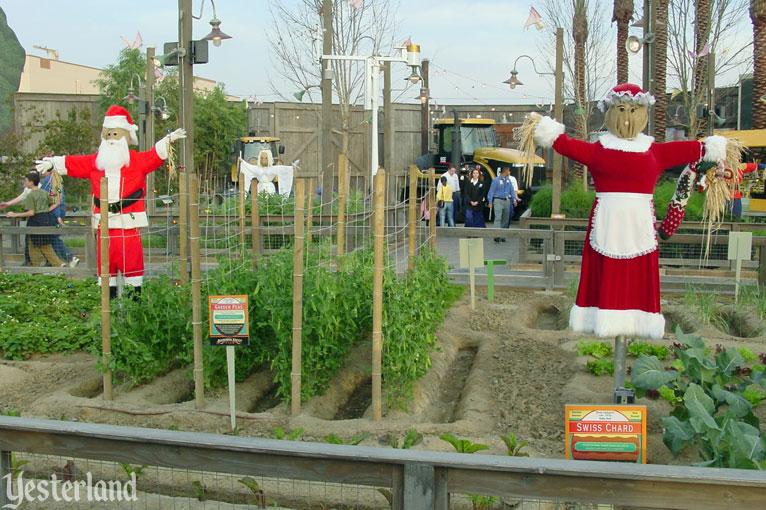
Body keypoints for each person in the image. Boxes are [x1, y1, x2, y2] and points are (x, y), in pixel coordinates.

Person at [524, 83, 732, 340]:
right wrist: (547, 131)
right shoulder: (599, 150)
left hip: (638, 224)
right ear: (610, 112)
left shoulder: (654, 151)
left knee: (637, 274)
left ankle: (635, 322)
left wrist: (710, 150)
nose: (626, 117)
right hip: (607, 222)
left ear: (643, 112)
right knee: (606, 271)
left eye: (633, 109)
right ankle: (604, 319)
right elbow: (565, 144)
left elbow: (695, 150)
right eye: (621, 109)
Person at [35, 105, 186, 299]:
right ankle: (111, 305)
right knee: (106, 264)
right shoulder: (96, 163)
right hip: (104, 223)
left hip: (129, 221)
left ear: (126, 137)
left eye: (115, 134)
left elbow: (153, 156)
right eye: (108, 134)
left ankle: (133, 306)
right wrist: (53, 162)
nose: (111, 139)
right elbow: (74, 162)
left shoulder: (135, 161)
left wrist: (167, 140)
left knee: (131, 263)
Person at [5, 171, 65, 268]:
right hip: (45, 219)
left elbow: (31, 212)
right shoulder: (44, 192)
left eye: (26, 181)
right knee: (37, 245)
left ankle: (53, 265)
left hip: (35, 221)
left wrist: (15, 214)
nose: (25, 183)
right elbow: (57, 201)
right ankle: (38, 268)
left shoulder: (30, 195)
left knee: (40, 246)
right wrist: (46, 210)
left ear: (31, 182)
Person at [487, 167, 517, 242]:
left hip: (506, 200)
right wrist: (490, 201)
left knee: (505, 219)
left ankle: (502, 235)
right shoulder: (496, 180)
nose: (509, 173)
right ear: (506, 171)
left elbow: (512, 191)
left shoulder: (508, 180)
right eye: (508, 171)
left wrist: (514, 199)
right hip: (498, 200)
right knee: (498, 217)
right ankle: (496, 235)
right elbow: (491, 191)